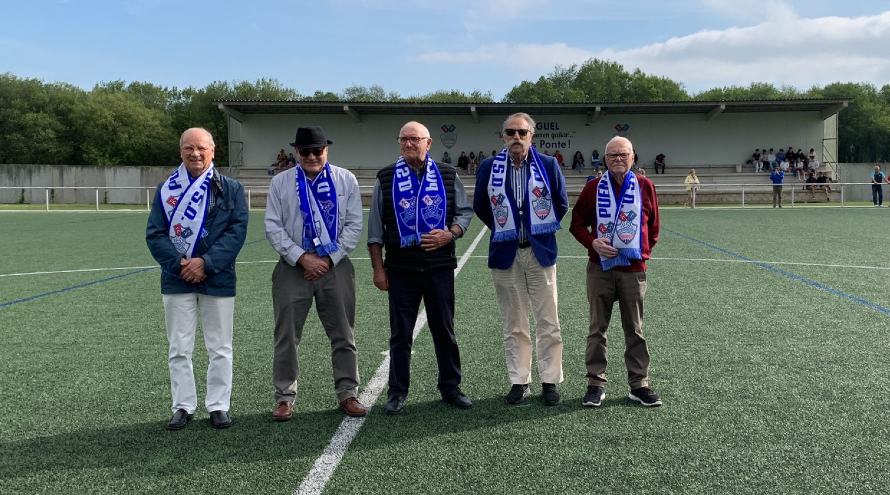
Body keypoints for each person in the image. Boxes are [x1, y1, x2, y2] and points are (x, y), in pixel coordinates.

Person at [368, 121, 474, 415]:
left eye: (415, 139)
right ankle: (397, 392)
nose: (409, 144)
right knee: (400, 333)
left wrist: (450, 233)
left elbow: (464, 213)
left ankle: (451, 387)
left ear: (429, 143)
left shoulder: (448, 174)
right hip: (401, 269)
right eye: (404, 139)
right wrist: (378, 269)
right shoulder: (386, 177)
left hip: (439, 267)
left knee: (444, 329)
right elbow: (376, 229)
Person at [146, 128, 248, 430]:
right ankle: (183, 406)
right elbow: (155, 234)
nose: (195, 153)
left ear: (213, 151)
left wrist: (206, 263)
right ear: (181, 152)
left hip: (218, 278)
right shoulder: (167, 190)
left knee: (220, 347)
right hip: (177, 279)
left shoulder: (231, 189)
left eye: (201, 148)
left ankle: (219, 405)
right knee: (179, 347)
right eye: (189, 148)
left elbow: (237, 232)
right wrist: (181, 265)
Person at [264, 126, 367, 421]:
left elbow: (354, 226)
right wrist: (302, 258)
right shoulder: (281, 183)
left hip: (335, 268)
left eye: (317, 150)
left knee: (344, 334)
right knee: (286, 336)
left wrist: (328, 259)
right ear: (296, 152)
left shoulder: (345, 179)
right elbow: (273, 226)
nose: (311, 156)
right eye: (305, 151)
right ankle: (284, 397)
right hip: (292, 268)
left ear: (326, 150)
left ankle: (348, 393)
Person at [473, 112, 569, 406]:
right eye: (511, 132)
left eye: (522, 133)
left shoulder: (549, 165)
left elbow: (561, 203)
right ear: (503, 136)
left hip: (540, 252)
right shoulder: (490, 167)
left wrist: (538, 227)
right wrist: (506, 228)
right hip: (506, 252)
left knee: (548, 320)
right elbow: (480, 205)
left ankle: (550, 381)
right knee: (514, 322)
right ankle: (519, 380)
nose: (516, 137)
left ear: (532, 136)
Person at [569, 135, 662, 408]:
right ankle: (595, 384)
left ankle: (639, 384)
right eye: (612, 156)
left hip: (633, 270)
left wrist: (642, 253)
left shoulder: (645, 186)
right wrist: (593, 243)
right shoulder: (593, 188)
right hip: (600, 269)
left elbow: (653, 227)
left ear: (633, 157)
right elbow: (576, 224)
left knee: (635, 329)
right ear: (605, 159)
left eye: (623, 155)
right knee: (597, 328)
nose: (618, 160)